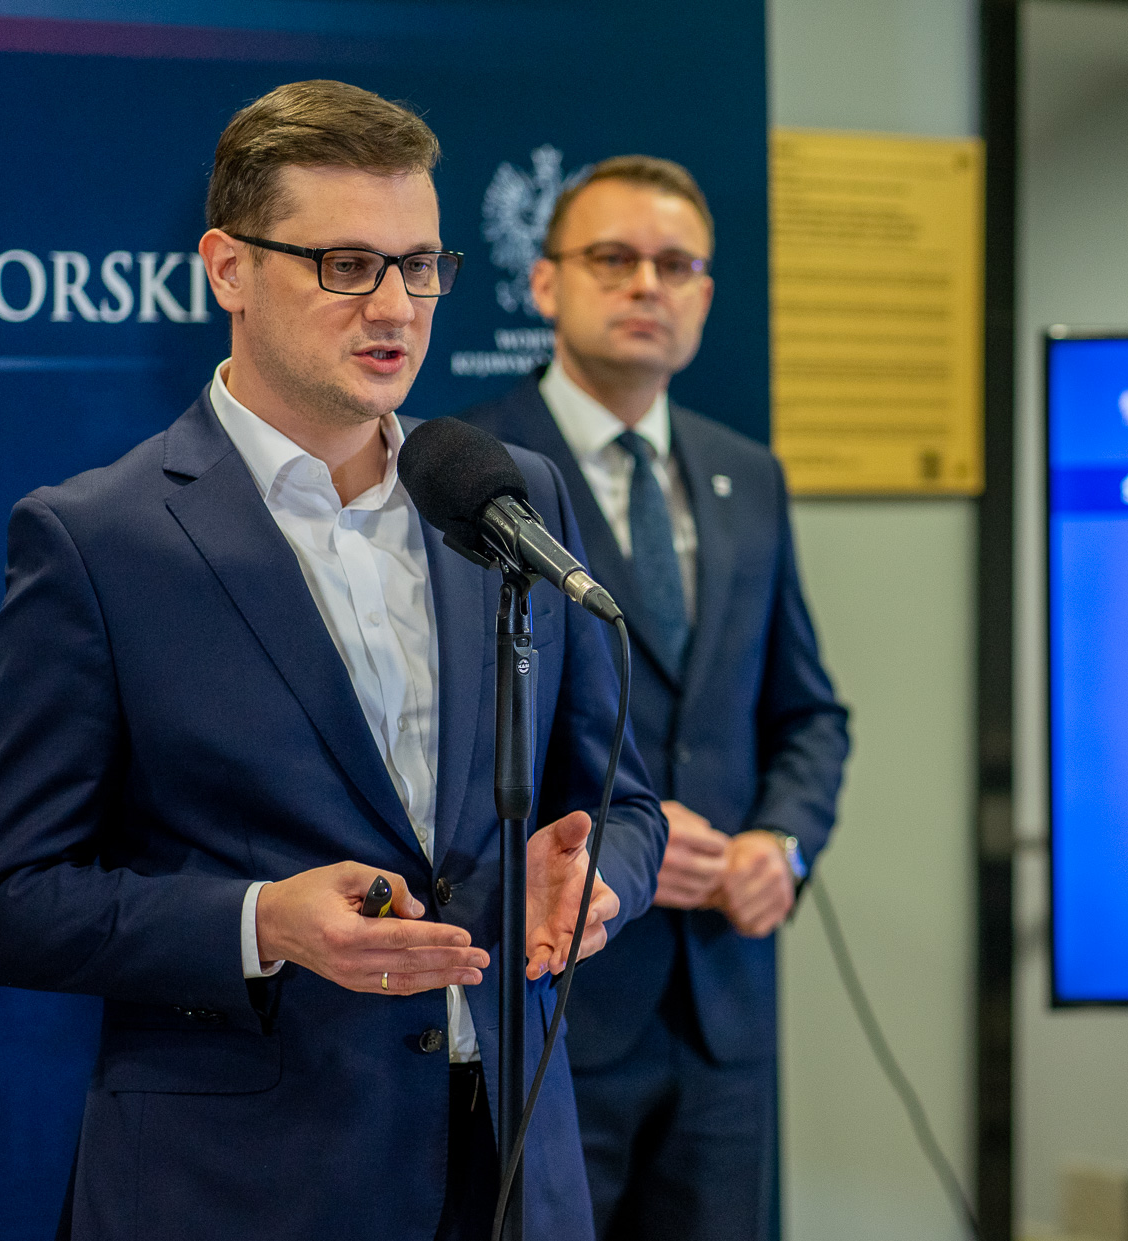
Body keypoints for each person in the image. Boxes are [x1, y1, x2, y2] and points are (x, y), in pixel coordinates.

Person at [0, 80, 665, 1241]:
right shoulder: (99, 539)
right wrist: (262, 920)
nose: (395, 306)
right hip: (244, 1185)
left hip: (512, 1166)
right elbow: (0, 901)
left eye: (419, 265)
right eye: (346, 265)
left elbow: (619, 802)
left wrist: (597, 880)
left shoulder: (506, 495)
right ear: (228, 269)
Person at [460, 156, 848, 1241]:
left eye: (675, 265)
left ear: (706, 295)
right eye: (613, 259)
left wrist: (783, 842)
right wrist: (624, 840)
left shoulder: (747, 474)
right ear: (545, 283)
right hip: (553, 1003)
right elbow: (443, 745)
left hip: (724, 1009)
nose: (646, 285)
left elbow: (807, 713)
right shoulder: (474, 474)